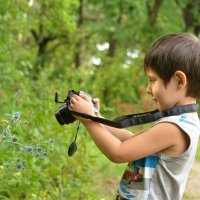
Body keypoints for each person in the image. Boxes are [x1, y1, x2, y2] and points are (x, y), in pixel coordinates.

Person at [69, 33, 200, 200]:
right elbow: (132, 141)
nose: (147, 89)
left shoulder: (175, 127)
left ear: (179, 81)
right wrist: (97, 116)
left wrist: (88, 121)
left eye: (153, 80)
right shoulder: (182, 121)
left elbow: (118, 152)